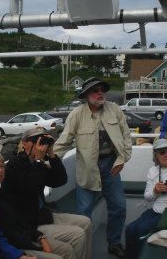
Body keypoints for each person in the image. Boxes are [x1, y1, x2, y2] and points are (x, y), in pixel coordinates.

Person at [54, 77, 132, 258]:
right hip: (87, 169)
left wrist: (122, 160)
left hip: (112, 165)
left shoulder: (114, 110)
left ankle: (114, 243)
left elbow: (126, 137)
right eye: (95, 90)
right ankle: (83, 248)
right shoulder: (76, 115)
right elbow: (63, 143)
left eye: (102, 89)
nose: (100, 93)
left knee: (119, 206)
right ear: (86, 94)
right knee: (84, 212)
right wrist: (45, 162)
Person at [1, 129, 90, 259]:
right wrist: (39, 161)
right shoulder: (14, 166)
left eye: (42, 141)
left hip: (43, 214)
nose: (39, 145)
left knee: (86, 222)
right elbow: (31, 186)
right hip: (30, 222)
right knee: (77, 236)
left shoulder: (39, 163)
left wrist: (52, 154)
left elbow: (60, 180)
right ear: (24, 144)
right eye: (34, 141)